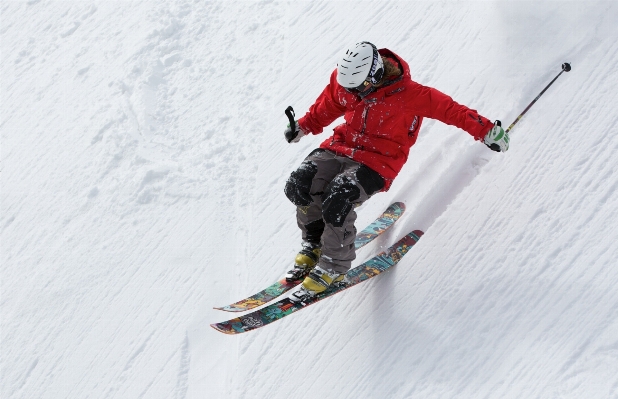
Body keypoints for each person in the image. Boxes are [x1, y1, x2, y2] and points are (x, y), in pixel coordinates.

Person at [283, 41, 509, 302]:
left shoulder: (411, 95)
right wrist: (304, 125)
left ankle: (333, 265)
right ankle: (314, 244)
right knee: (299, 184)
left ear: (376, 74)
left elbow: (452, 111)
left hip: (378, 161)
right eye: (349, 88)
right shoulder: (347, 82)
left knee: (338, 197)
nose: (353, 93)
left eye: (358, 88)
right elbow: (331, 102)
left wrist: (486, 130)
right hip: (341, 146)